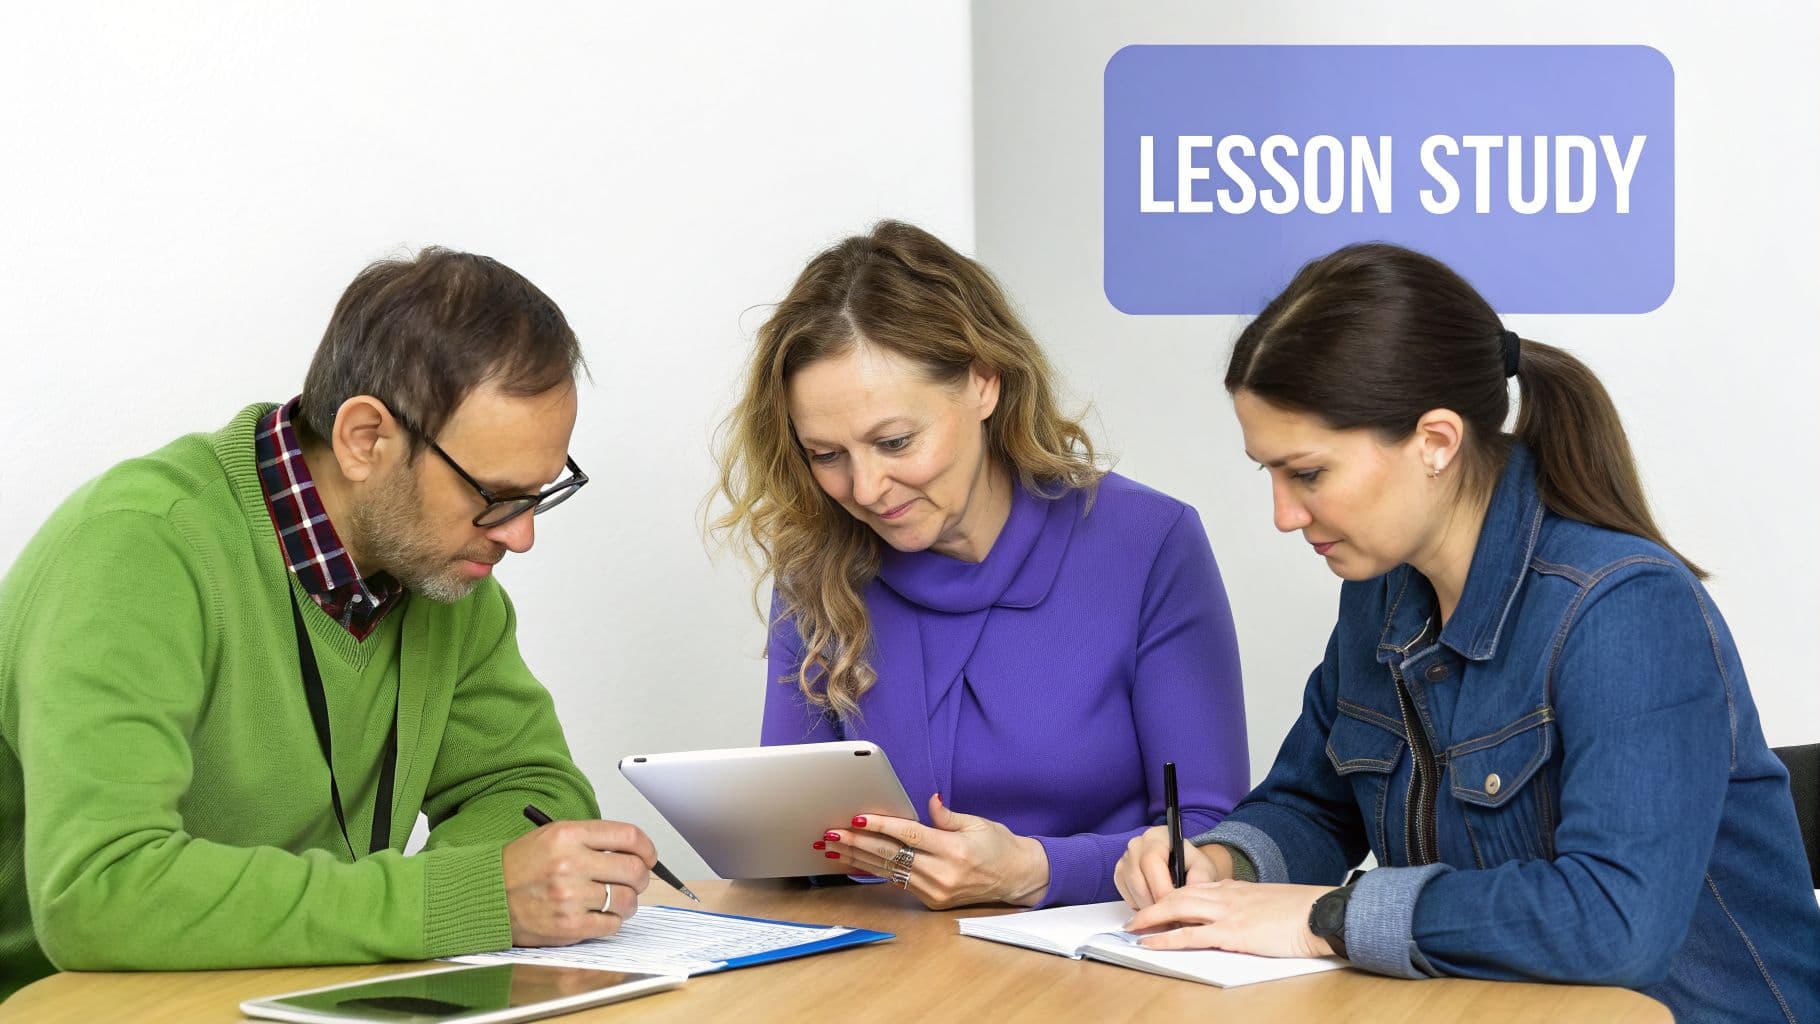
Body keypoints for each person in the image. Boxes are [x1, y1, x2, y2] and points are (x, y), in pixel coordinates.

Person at [1113, 243, 1820, 1023]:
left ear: (1437, 442)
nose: (1284, 515)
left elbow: (1617, 923)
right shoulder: (1378, 595)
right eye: (1269, 475)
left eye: (1308, 474)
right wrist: (1220, 864)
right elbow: (1315, 808)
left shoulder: (1626, 607)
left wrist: (1327, 919)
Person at [0, 248, 659, 1000]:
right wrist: (460, 900)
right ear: (365, 438)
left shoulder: (443, 578)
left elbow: (533, 790)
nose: (519, 536)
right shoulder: (137, 547)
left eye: (539, 495)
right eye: (495, 494)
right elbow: (97, 894)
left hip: (293, 998)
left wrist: (505, 885)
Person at [712, 221, 1249, 909]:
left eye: (895, 441)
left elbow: (1211, 838)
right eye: (827, 455)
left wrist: (1036, 869)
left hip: (1106, 974)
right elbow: (790, 854)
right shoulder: (817, 568)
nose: (867, 488)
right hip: (893, 981)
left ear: (984, 384)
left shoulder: (1149, 543)